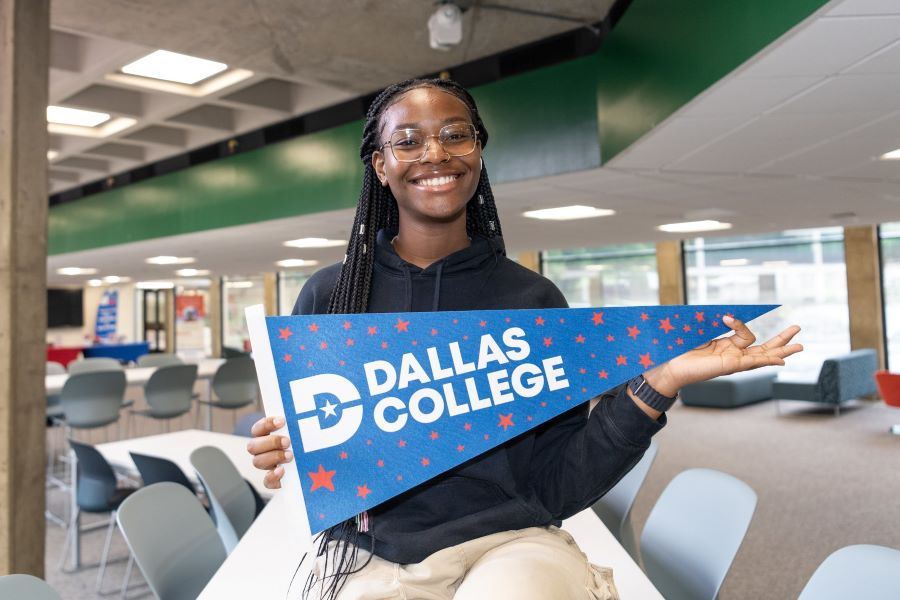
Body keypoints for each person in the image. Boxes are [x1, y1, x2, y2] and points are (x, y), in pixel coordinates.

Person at [247, 77, 803, 600]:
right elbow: (314, 457)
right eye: (408, 141)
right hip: (370, 554)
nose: (435, 154)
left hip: (511, 544)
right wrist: (285, 451)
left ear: (478, 151)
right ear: (381, 164)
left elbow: (559, 482)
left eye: (454, 135)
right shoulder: (331, 298)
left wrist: (661, 381)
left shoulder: (530, 300)